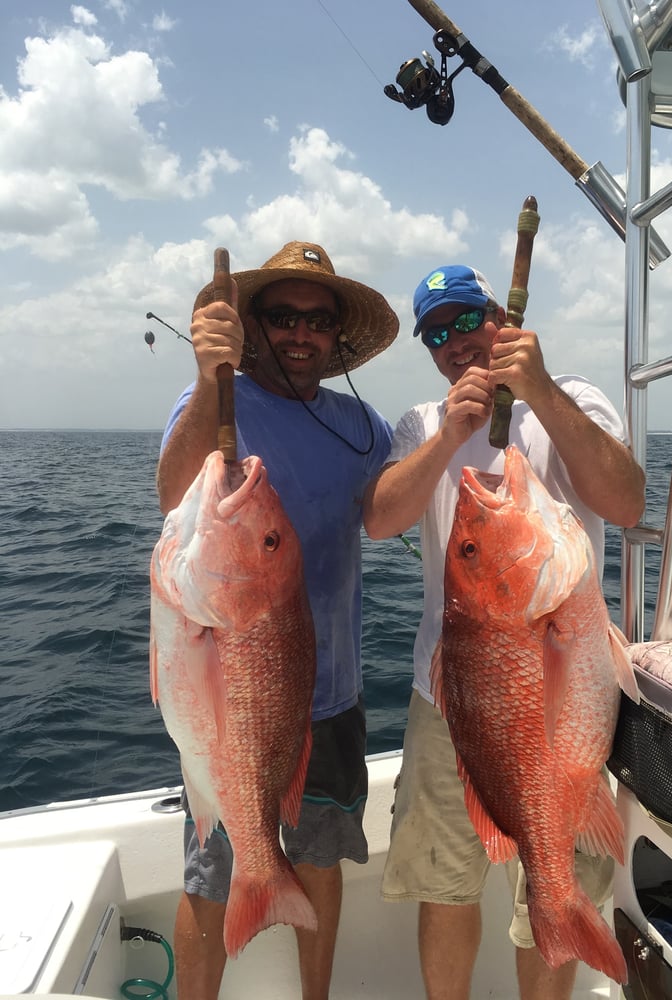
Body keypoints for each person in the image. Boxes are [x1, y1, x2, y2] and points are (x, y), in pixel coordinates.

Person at [362, 264, 646, 1000]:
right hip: (446, 696)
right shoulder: (422, 422)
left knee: (557, 879)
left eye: (465, 320)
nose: (453, 343)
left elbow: (622, 500)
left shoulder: (573, 399)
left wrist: (542, 393)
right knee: (444, 883)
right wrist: (449, 434)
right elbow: (379, 519)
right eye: (435, 334)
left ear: (500, 314)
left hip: (556, 691)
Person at [156, 240, 398, 1000]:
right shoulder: (214, 403)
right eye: (283, 316)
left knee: (320, 858)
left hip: (332, 698)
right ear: (254, 326)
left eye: (318, 321)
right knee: (211, 870)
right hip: (237, 699)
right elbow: (172, 498)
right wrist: (206, 378)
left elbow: (387, 516)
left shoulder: (364, 427)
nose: (301, 333)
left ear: (338, 339)